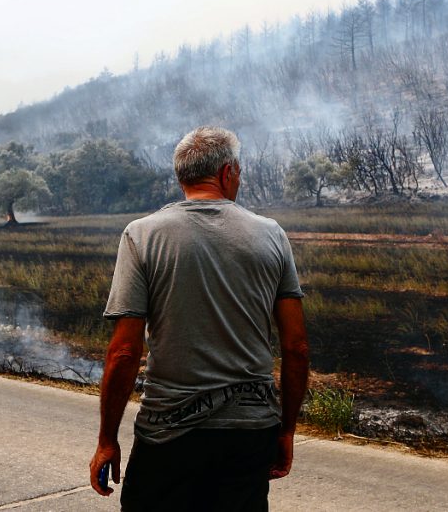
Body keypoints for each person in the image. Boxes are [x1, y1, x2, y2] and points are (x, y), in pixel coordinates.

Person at [89, 126, 309, 511]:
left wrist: (107, 439)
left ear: (181, 177)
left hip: (169, 434)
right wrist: (286, 429)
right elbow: (296, 347)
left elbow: (124, 352)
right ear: (227, 173)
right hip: (250, 432)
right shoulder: (272, 235)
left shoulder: (142, 235)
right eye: (238, 172)